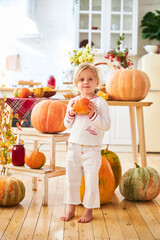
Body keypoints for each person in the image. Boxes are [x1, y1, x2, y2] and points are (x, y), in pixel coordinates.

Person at [61, 62, 111, 223]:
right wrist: (71, 113)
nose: (86, 82)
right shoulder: (74, 102)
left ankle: (88, 210)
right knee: (71, 180)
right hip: (74, 147)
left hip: (92, 150)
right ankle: (71, 208)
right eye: (82, 79)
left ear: (97, 82)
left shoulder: (100, 103)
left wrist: (93, 114)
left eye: (90, 78)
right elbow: (66, 124)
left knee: (91, 181)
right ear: (76, 84)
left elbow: (106, 125)